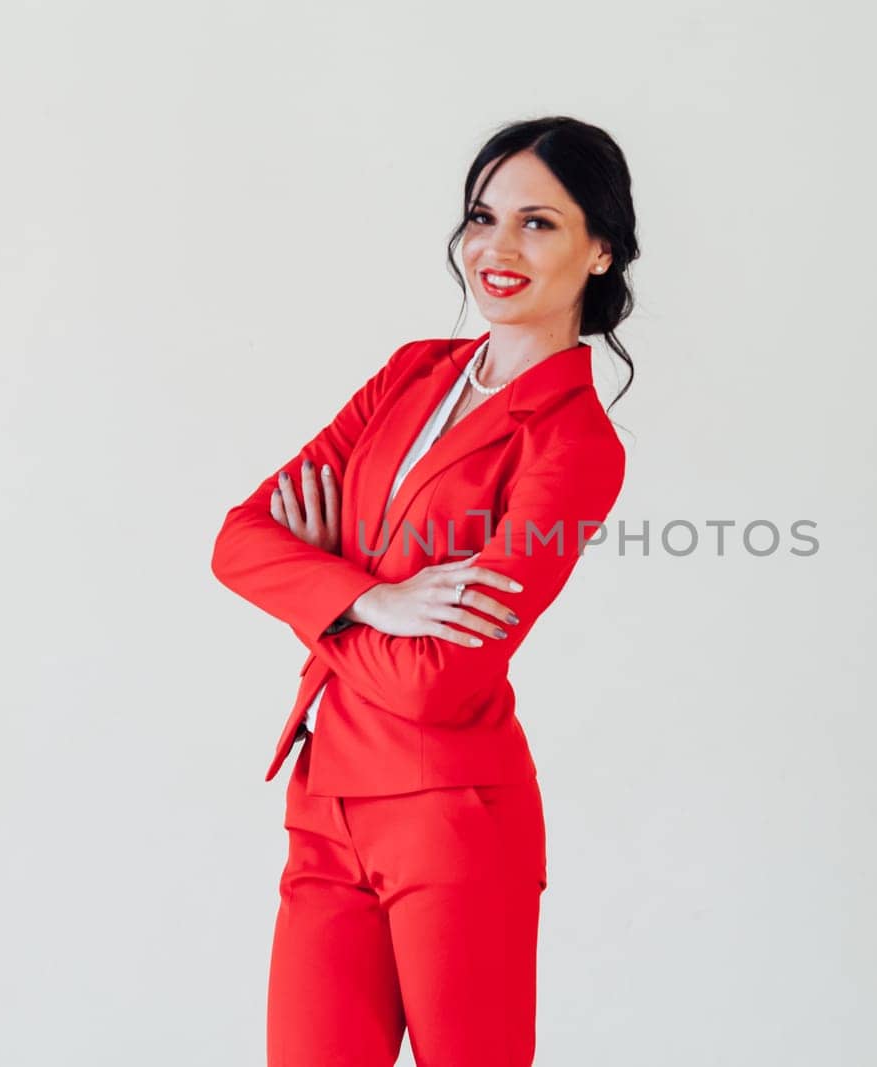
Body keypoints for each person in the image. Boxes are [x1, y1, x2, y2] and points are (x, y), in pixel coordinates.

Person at [210, 115, 639, 1067]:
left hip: (451, 818)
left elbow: (436, 684)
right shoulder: (411, 373)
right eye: (483, 216)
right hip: (326, 804)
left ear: (600, 248)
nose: (496, 247)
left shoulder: (572, 446)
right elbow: (238, 540)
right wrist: (370, 598)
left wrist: (316, 588)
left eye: (540, 223)